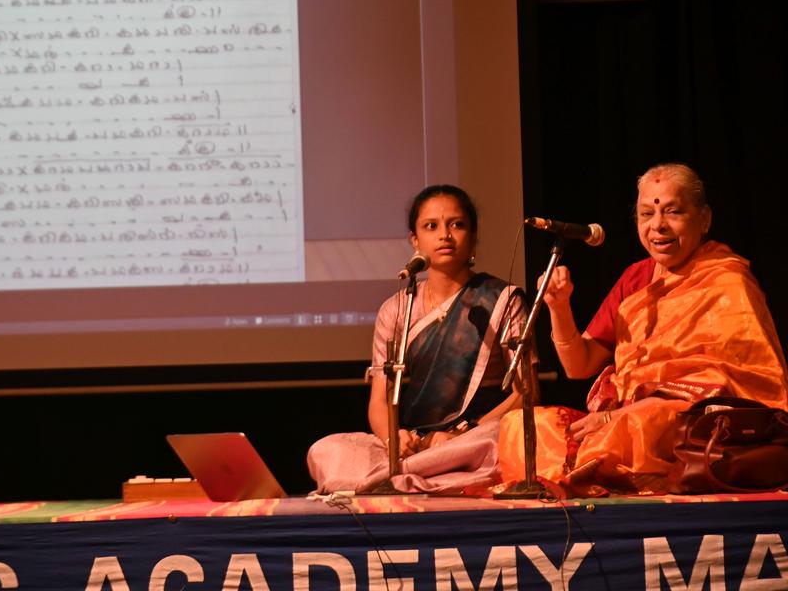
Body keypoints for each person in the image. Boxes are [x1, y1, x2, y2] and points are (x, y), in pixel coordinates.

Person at [499, 163, 788, 494]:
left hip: (689, 421)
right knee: (523, 426)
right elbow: (579, 366)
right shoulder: (635, 278)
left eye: (673, 212)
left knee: (640, 423)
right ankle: (588, 476)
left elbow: (742, 383)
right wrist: (559, 307)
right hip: (620, 419)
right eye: (646, 214)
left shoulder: (727, 281)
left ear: (704, 219)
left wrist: (614, 419)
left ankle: (600, 475)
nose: (658, 226)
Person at [308, 185, 529, 494]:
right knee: (328, 449)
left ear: (474, 235)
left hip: (473, 440)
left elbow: (526, 393)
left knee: (500, 438)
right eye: (431, 226)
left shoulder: (503, 300)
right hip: (416, 444)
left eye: (457, 224)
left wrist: (463, 435)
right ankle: (421, 472)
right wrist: (393, 439)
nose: (445, 235)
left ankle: (406, 477)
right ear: (415, 240)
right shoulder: (396, 309)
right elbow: (380, 400)